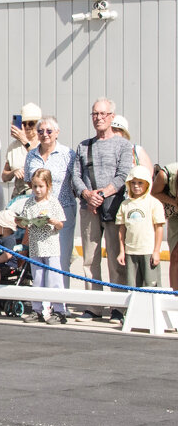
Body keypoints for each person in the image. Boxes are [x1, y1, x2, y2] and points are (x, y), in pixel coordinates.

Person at [69, 98, 133, 321]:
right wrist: (87, 194)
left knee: (116, 259)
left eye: (103, 114)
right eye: (95, 114)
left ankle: (118, 307)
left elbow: (124, 175)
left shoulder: (124, 146)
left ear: (112, 117)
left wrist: (103, 193)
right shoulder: (83, 146)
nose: (98, 118)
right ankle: (94, 306)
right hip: (89, 208)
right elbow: (75, 175)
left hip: (114, 208)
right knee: (90, 258)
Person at [22, 116, 77, 294]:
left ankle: (60, 303)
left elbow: (75, 181)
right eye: (40, 131)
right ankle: (41, 303)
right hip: (39, 213)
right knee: (39, 259)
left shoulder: (67, 154)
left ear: (57, 133)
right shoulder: (32, 155)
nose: (44, 135)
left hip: (62, 210)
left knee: (59, 259)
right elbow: (29, 183)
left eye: (49, 131)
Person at [19, 169, 67, 324]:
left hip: (51, 247)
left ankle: (59, 310)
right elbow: (23, 220)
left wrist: (53, 221)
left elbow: (60, 224)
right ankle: (37, 309)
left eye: (41, 186)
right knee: (38, 279)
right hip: (35, 247)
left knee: (54, 280)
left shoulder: (53, 202)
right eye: (35, 186)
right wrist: (22, 222)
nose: (38, 190)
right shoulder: (29, 202)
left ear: (48, 186)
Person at [115, 165, 165, 289]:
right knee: (132, 286)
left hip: (148, 251)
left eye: (140, 183)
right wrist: (122, 252)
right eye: (133, 183)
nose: (136, 186)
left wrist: (156, 252)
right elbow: (122, 229)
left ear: (147, 184)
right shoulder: (125, 205)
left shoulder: (154, 203)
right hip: (131, 252)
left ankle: (150, 309)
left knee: (151, 285)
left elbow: (159, 228)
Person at [1, 102, 41, 199]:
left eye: (31, 123)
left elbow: (40, 161)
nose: (27, 127)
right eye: (23, 123)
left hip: (36, 195)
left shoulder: (42, 143)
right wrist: (14, 172)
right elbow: (4, 176)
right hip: (18, 195)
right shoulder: (13, 146)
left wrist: (24, 140)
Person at [152, 162, 178, 290]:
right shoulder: (166, 174)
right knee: (175, 255)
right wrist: (174, 202)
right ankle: (174, 295)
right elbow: (154, 193)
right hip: (175, 209)